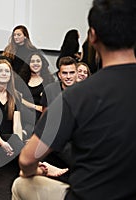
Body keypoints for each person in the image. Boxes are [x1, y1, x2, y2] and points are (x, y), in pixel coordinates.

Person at [12, 0, 136, 199]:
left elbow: (27, 159)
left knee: (21, 183)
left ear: (93, 36)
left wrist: (33, 171)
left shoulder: (75, 96)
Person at [18, 51, 55, 122]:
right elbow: (19, 98)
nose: (35, 64)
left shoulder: (49, 80)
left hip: (42, 113)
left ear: (42, 63)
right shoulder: (22, 79)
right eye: (32, 61)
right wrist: (35, 107)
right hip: (24, 111)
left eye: (38, 61)